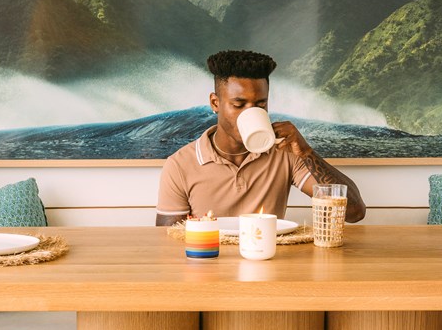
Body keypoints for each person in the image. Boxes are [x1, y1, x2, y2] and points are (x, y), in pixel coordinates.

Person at [156, 49, 365, 226]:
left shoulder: (285, 154)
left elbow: (354, 212)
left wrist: (306, 152)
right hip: (207, 269)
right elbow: (169, 242)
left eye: (261, 105)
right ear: (215, 103)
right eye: (239, 105)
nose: (250, 112)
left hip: (269, 269)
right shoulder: (180, 165)